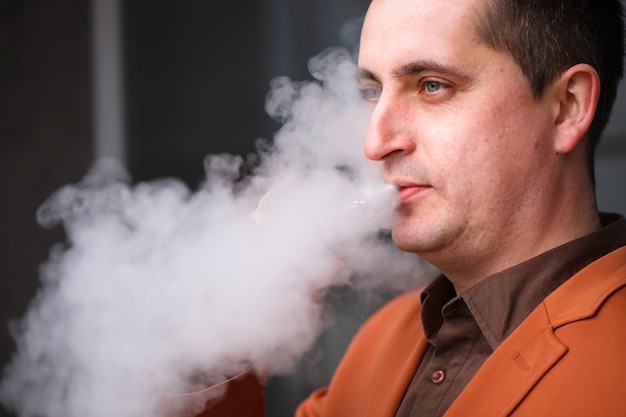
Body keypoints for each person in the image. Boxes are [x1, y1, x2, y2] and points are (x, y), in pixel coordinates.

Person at [165, 0, 626, 415]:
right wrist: (226, 337)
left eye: (431, 86)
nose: (374, 143)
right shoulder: (382, 339)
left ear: (566, 107)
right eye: (372, 92)